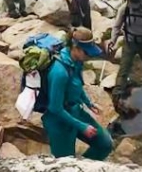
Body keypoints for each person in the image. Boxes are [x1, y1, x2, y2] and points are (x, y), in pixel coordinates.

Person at [42, 27, 114, 160]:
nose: (89, 56)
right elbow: (55, 108)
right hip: (59, 122)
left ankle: (85, 170)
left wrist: (88, 102)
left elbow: (76, 84)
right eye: (86, 52)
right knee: (66, 164)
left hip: (75, 111)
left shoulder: (77, 61)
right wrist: (82, 126)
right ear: (75, 47)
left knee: (105, 144)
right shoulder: (59, 72)